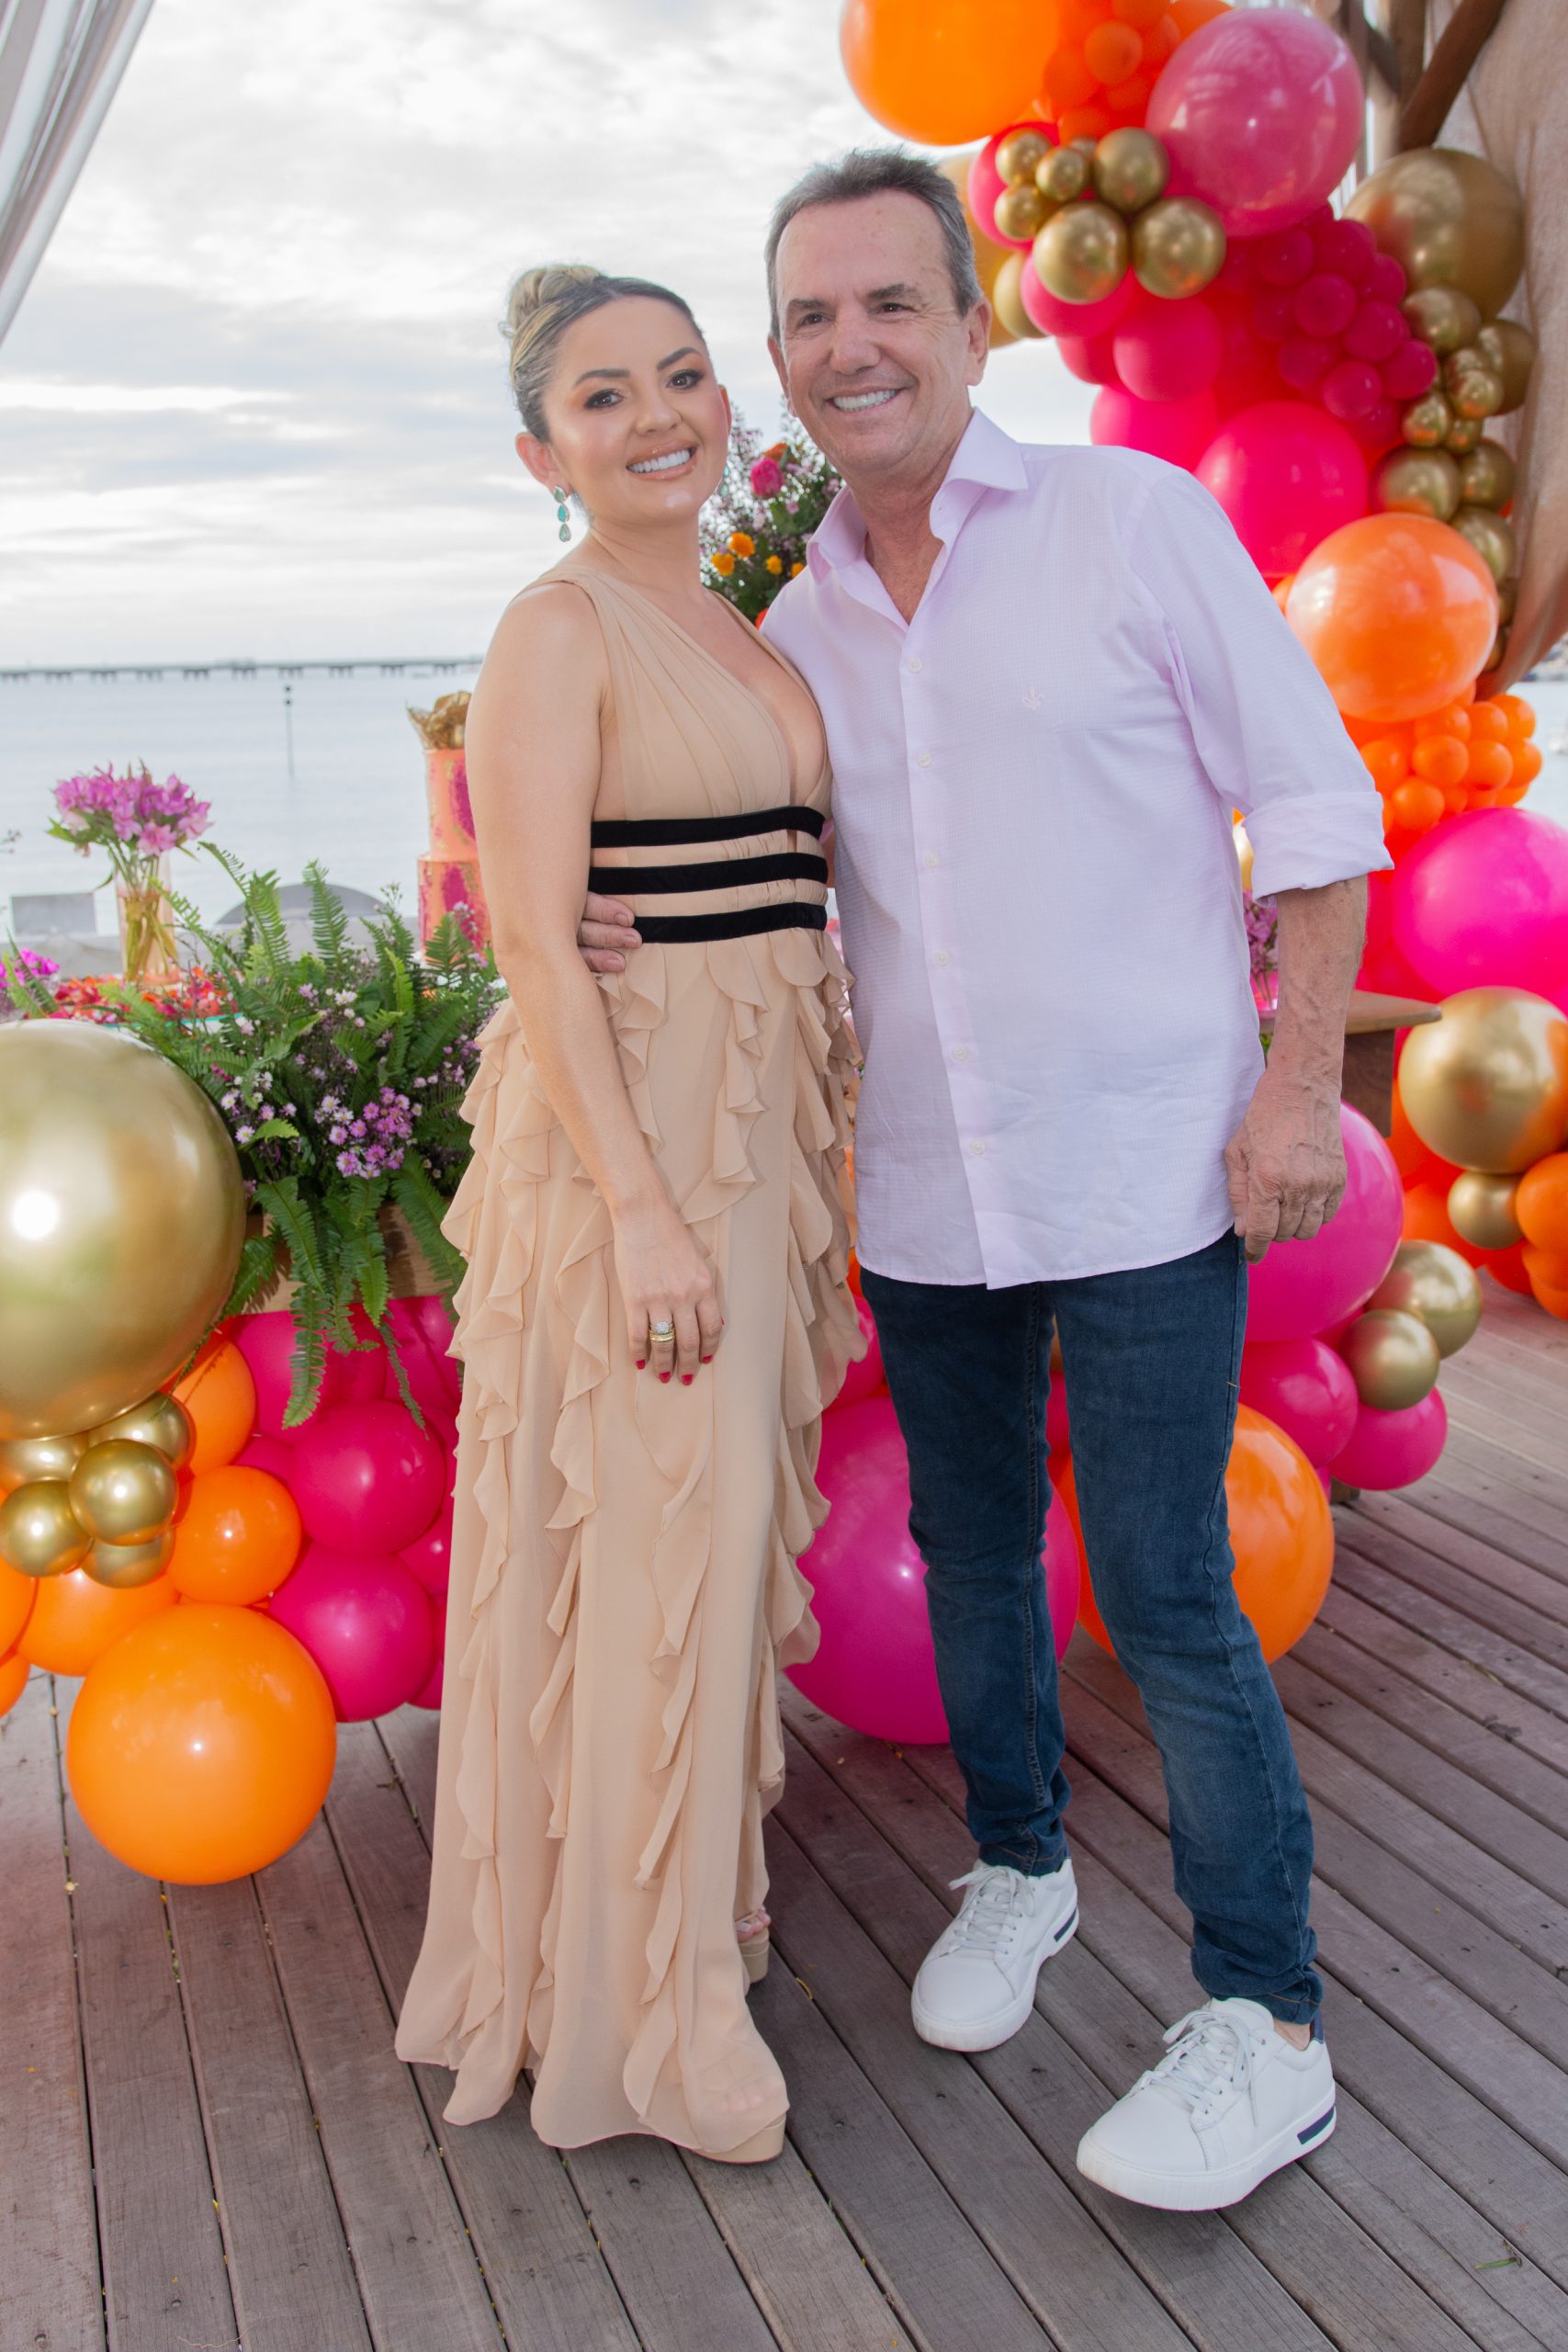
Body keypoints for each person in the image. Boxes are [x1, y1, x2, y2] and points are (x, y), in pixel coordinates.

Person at [578, 150, 1393, 2214]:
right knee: (967, 1549)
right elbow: (756, 878)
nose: (850, 344)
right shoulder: (793, 626)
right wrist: (608, 920)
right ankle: (1021, 1864)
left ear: (968, 324)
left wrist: (1299, 1087)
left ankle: (1268, 2024)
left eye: (889, 302)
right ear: (780, 362)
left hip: (1145, 1166)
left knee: (1170, 1590)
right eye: (810, 315)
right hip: (930, 1182)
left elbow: (1315, 811)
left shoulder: (1132, 523)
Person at [395, 264, 863, 2165]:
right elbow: (528, 936)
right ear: (542, 453)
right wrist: (644, 1213)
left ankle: (690, 1917)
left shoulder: (739, 614)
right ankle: (643, 2016)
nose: (657, 414)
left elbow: (761, 867)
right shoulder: (557, 625)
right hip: (639, 1150)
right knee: (657, 1530)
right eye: (603, 396)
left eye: (681, 375)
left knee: (714, 1535)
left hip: (753, 1124)